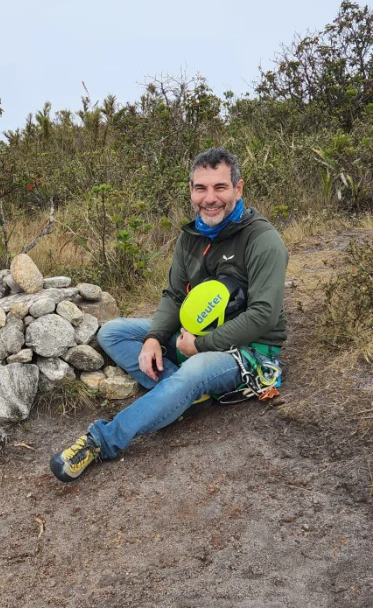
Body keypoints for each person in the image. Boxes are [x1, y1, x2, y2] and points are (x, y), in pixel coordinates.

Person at [50, 147, 288, 482]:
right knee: (113, 332)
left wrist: (201, 346)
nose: (210, 198)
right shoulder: (191, 236)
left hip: (247, 348)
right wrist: (152, 338)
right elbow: (175, 295)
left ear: (238, 188)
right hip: (193, 333)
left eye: (220, 187)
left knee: (192, 373)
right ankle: (181, 397)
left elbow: (264, 316)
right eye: (200, 188)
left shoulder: (262, 240)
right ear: (191, 190)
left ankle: (102, 440)